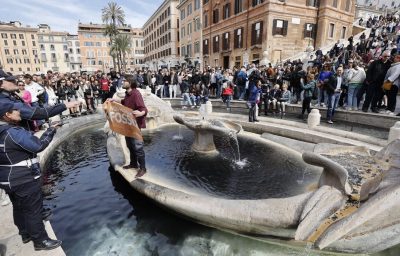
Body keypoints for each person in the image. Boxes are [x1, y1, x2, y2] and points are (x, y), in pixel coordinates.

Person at [0, 102, 63, 250]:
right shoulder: (13, 132)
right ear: (7, 115)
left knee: (18, 206)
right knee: (33, 210)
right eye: (15, 110)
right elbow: (38, 146)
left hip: (6, 178)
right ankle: (40, 240)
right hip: (23, 177)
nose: (19, 111)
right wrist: (51, 130)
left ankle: (25, 233)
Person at [0, 69, 78, 129]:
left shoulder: (9, 96)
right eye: (10, 80)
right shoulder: (5, 102)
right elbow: (39, 113)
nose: (15, 81)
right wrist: (65, 105)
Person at [121, 75, 148, 178]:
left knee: (138, 147)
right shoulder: (127, 94)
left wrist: (141, 113)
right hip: (128, 124)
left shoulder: (136, 94)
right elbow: (125, 103)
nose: (123, 82)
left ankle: (143, 168)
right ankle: (133, 163)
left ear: (130, 82)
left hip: (135, 125)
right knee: (130, 146)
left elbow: (143, 108)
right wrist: (115, 102)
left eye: (125, 81)